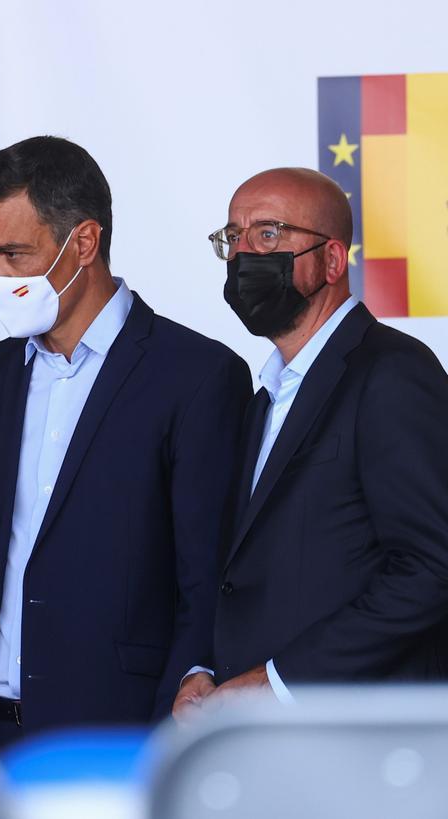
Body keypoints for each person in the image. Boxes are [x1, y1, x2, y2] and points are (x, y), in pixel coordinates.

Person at [0, 136, 252, 748]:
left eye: (14, 254)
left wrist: (172, 730)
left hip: (118, 732)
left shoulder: (198, 376)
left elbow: (207, 579)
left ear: (85, 242)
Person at [174, 168, 448, 717]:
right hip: (264, 738)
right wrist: (203, 667)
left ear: (332, 260)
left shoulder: (392, 372)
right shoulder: (267, 395)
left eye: (269, 234)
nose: (244, 253)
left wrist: (279, 682)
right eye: (234, 236)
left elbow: (432, 565)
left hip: (361, 737)